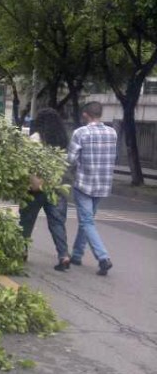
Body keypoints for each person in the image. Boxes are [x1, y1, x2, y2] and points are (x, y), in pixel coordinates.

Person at [67, 101, 117, 276]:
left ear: (85, 115)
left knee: (86, 221)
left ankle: (103, 258)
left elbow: (71, 159)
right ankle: (77, 255)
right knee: (87, 220)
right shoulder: (113, 133)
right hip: (103, 184)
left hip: (84, 184)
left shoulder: (80, 133)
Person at [19, 109, 70, 271]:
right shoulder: (63, 140)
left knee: (26, 220)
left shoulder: (35, 139)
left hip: (36, 188)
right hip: (56, 186)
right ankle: (64, 256)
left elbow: (26, 161)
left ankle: (21, 251)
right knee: (57, 222)